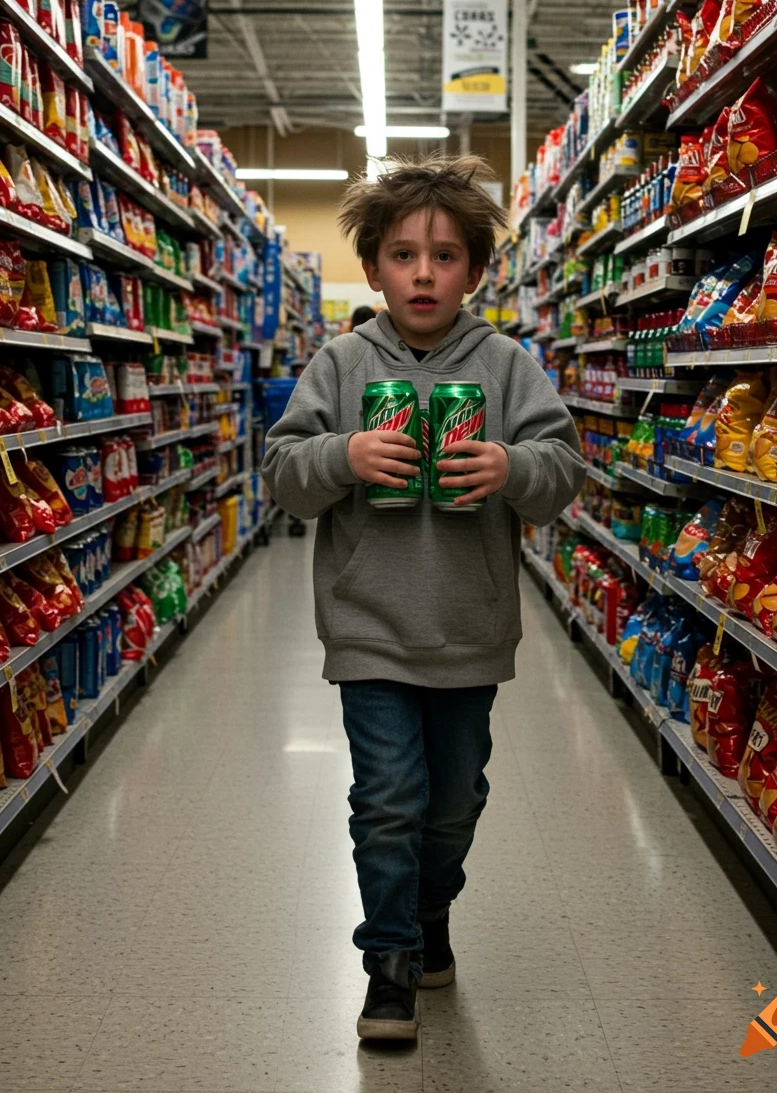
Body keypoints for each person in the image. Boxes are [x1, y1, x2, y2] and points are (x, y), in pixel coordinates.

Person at [262, 154, 584, 1042]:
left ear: (476, 273)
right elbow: (284, 477)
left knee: (454, 803)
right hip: (369, 627)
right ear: (373, 270)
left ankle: (432, 907)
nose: (424, 273)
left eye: (446, 257)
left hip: (469, 628)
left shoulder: (509, 366)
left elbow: (562, 475)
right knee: (389, 797)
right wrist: (344, 456)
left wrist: (512, 467)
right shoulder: (340, 362)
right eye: (403, 255)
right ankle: (390, 961)